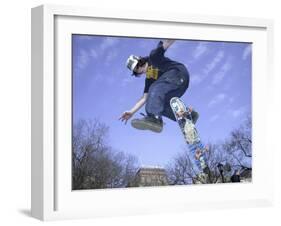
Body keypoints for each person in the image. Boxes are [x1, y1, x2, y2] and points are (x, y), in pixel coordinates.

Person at [119, 40, 198, 132]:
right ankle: (188, 117)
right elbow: (144, 98)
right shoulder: (149, 79)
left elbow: (167, 43)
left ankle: (154, 118)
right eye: (136, 72)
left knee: (154, 89)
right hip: (179, 87)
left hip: (178, 73)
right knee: (160, 104)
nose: (140, 71)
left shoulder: (153, 58)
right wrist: (131, 112)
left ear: (140, 61)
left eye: (138, 67)